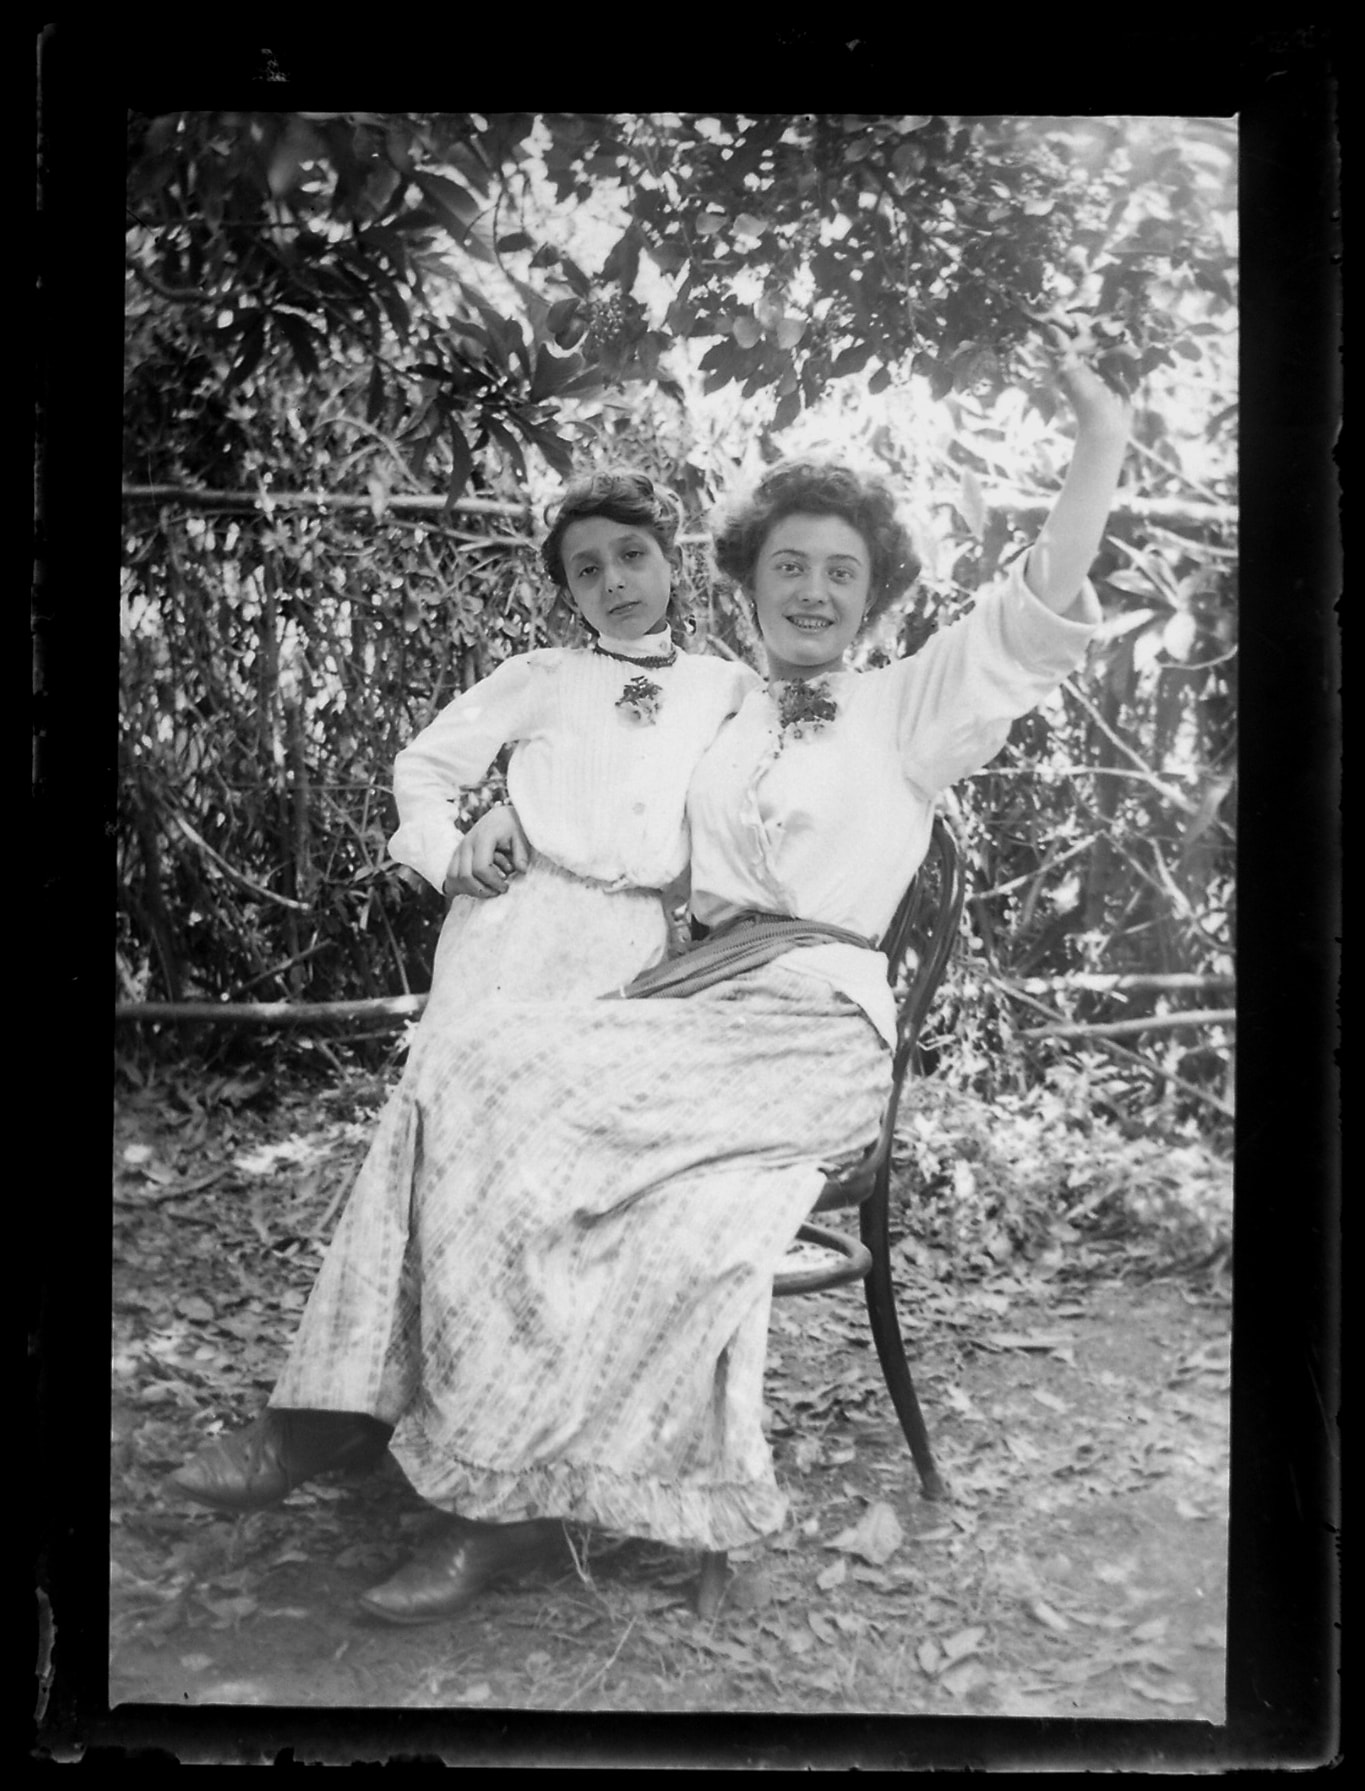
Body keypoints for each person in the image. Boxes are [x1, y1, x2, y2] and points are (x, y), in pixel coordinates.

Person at [170, 357, 1131, 1624]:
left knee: (492, 1080)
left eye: (842, 572)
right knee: (470, 1078)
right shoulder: (720, 707)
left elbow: (1037, 606)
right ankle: (367, 1413)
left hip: (809, 1034)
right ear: (743, 580)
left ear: (875, 595)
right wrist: (497, 816)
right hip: (694, 1013)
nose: (813, 590)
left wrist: (1101, 438)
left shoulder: (912, 708)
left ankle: (471, 1499)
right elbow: (599, 775)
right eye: (789, 565)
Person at [167, 467, 757, 1506]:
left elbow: (751, 814)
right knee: (434, 1146)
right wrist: (456, 850)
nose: (615, 582)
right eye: (587, 570)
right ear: (567, 591)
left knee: (547, 1175)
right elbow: (423, 768)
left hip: (631, 956)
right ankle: (323, 1419)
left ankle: (500, 1435)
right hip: (513, 932)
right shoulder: (541, 676)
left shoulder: (728, 691)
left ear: (675, 561)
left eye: (633, 556)